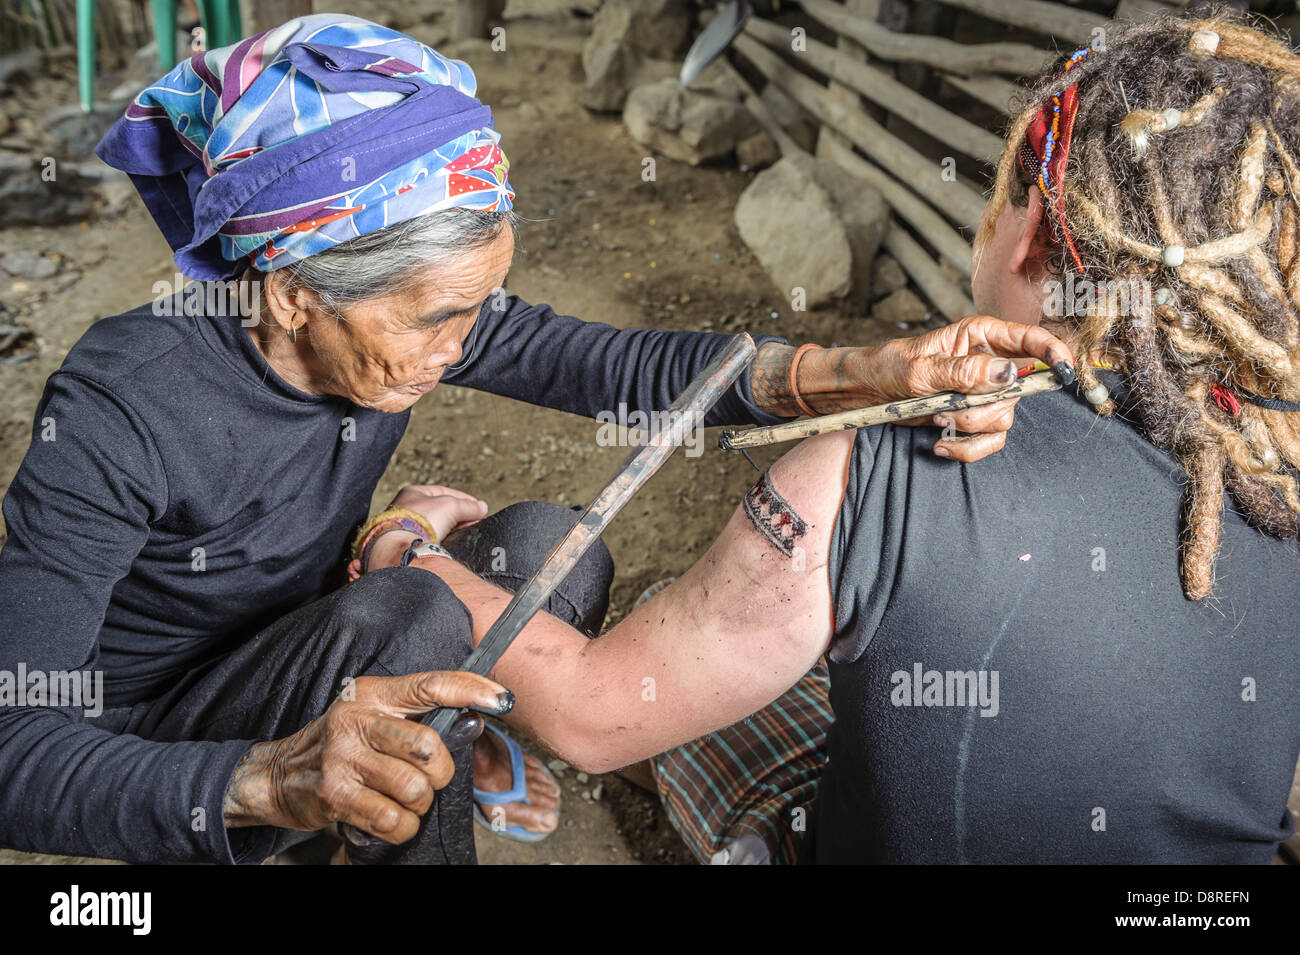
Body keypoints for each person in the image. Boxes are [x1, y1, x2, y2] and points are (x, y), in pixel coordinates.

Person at [0, 14, 1055, 864]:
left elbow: (617, 367)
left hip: (309, 630)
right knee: (415, 614)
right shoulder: (123, 403)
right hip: (160, 740)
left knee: (555, 544)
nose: (459, 348)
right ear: (288, 294)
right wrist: (265, 779)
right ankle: (370, 800)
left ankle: (429, 747)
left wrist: (862, 370)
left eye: (479, 312)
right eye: (435, 321)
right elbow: (13, 754)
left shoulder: (398, 309)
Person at [635, 11, 1300, 863]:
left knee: (724, 691)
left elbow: (590, 710)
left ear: (1027, 230)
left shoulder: (886, 465)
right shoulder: (1269, 474)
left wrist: (430, 552)